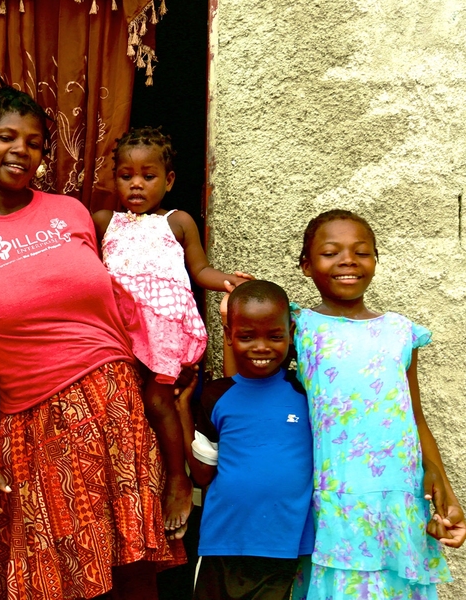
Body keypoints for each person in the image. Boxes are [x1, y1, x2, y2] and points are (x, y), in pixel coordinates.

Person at [0, 81, 185, 600]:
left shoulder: (73, 214)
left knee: (134, 576)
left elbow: (140, 295)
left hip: (115, 408)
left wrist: (175, 360)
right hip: (32, 423)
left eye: (35, 142)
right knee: (55, 582)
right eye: (6, 137)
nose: (21, 150)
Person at [291, 210, 464, 598]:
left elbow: (414, 416)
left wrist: (440, 481)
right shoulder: (297, 327)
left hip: (399, 493)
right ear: (306, 265)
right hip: (337, 493)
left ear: (375, 260)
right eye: (330, 252)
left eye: (361, 252)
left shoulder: (401, 331)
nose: (348, 261)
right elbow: (252, 387)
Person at [91, 127, 251, 532]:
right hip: (118, 328)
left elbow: (199, 271)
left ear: (169, 180)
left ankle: (178, 480)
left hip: (162, 325)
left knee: (158, 399)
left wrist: (233, 283)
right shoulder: (102, 221)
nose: (137, 184)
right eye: (126, 176)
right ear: (114, 179)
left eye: (148, 176)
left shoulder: (176, 222)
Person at [176, 280, 314, 600]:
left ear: (291, 332)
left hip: (287, 549)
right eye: (246, 336)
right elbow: (202, 474)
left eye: (275, 336)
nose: (261, 347)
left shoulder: (306, 393)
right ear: (228, 336)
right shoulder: (216, 396)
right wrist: (183, 408)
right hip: (222, 544)